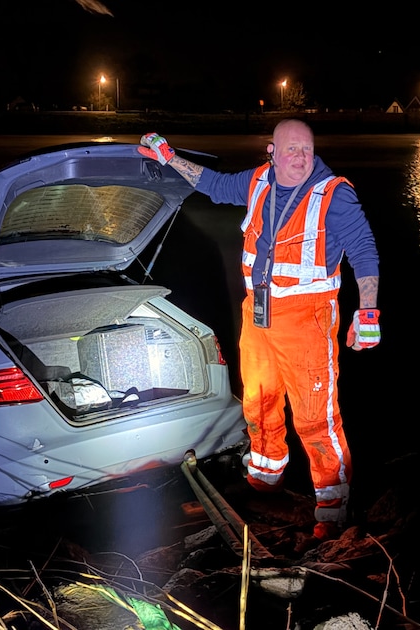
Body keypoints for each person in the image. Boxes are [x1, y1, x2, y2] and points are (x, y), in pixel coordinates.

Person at [138, 120, 380, 542]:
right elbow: (213, 185)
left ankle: (333, 508)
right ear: (272, 151)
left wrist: (369, 312)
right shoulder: (258, 182)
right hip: (259, 315)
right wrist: (169, 158)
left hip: (307, 320)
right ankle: (265, 478)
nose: (301, 157)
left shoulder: (333, 194)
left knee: (316, 418)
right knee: (259, 401)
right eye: (291, 149)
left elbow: (364, 251)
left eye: (307, 149)